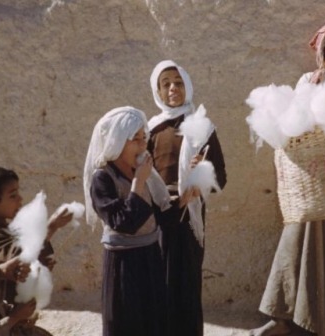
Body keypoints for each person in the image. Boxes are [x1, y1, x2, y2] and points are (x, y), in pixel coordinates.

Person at [250, 18, 325, 336]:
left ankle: (316, 326)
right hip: (307, 184)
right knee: (293, 243)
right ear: (323, 54)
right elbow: (294, 127)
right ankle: (281, 318)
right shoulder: (309, 81)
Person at [84, 106, 183, 336]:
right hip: (123, 264)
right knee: (126, 323)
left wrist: (184, 200)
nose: (142, 145)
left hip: (150, 257)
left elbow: (155, 217)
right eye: (135, 139)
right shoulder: (103, 178)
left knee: (152, 321)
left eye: (143, 138)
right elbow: (124, 222)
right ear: (117, 141)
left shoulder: (142, 173)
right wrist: (138, 182)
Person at [147, 60, 227, 336]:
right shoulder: (151, 130)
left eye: (178, 82)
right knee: (159, 284)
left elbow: (221, 178)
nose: (173, 88)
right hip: (160, 217)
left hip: (189, 216)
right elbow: (143, 174)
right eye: (165, 83)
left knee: (187, 285)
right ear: (157, 90)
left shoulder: (202, 127)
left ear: (187, 86)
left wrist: (201, 173)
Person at [0, 165, 72, 305]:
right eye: (12, 196)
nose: (20, 199)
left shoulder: (8, 228)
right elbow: (18, 258)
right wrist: (50, 228)